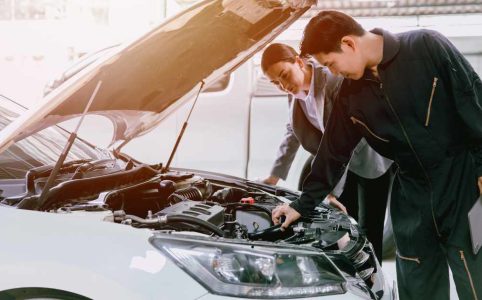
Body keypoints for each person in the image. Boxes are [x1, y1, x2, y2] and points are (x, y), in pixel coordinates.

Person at [272, 10, 482, 300]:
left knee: (477, 281)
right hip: (411, 199)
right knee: (419, 290)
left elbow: (474, 106)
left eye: (330, 63)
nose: (332, 73)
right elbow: (333, 152)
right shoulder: (349, 94)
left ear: (348, 43)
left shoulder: (427, 47)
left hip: (464, 189)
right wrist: (302, 204)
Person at [261, 43, 392, 262]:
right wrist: (274, 176)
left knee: (370, 229)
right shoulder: (293, 91)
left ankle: (372, 281)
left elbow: (343, 142)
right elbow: (292, 131)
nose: (283, 86)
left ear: (299, 62)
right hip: (337, 163)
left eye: (284, 75)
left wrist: (329, 190)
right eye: (276, 83)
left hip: (369, 159)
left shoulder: (333, 81)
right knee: (344, 224)